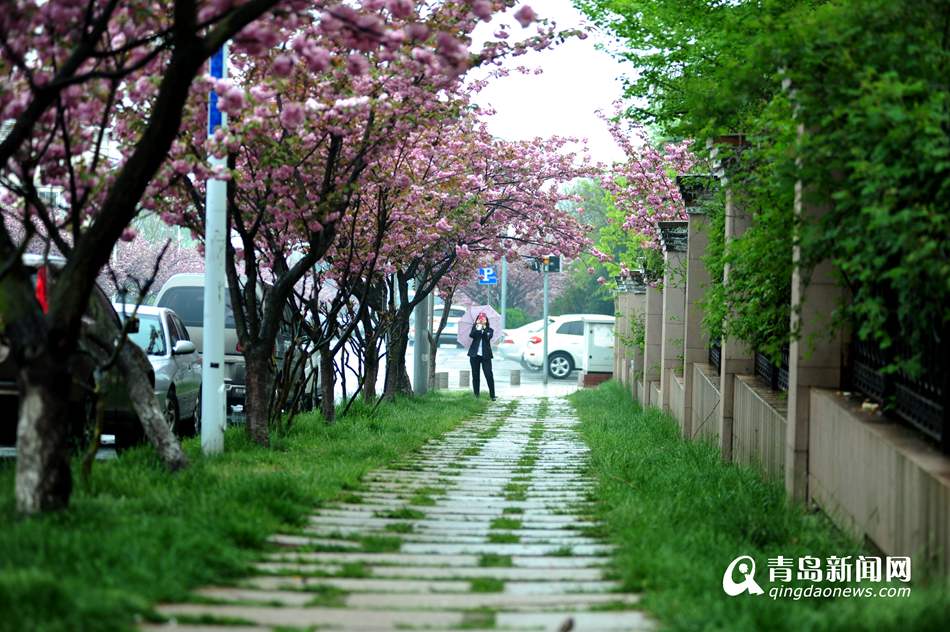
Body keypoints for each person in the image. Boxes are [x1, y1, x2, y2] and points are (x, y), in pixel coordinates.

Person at [467, 311, 496, 401]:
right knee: (475, 376)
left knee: (488, 374)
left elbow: (488, 337)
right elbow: (472, 335)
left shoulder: (490, 330)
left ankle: (492, 395)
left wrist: (483, 330)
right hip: (474, 355)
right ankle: (476, 395)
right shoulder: (475, 328)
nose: (481, 320)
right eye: (480, 319)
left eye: (483, 319)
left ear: (486, 320)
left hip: (486, 356)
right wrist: (478, 328)